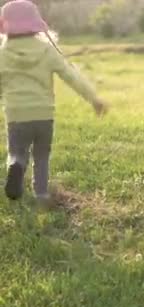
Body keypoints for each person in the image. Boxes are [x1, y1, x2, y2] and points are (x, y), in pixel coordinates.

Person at [0, 0, 107, 205]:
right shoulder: (47, 50)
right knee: (41, 156)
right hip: (43, 115)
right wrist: (94, 99)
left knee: (17, 151)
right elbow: (71, 75)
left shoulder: (2, 54)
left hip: (16, 115)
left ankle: (16, 165)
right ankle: (41, 194)